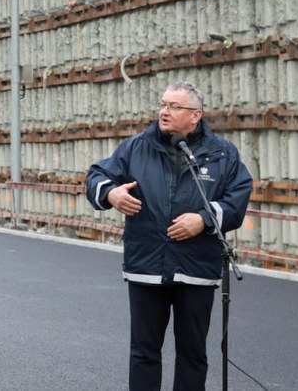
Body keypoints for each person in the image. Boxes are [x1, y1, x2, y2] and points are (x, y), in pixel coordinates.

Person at [86, 82, 252, 391]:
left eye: (174, 106)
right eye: (163, 104)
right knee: (144, 353)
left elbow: (237, 199)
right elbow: (96, 175)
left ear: (195, 116)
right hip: (147, 266)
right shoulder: (137, 147)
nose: (164, 111)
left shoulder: (222, 154)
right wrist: (111, 193)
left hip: (195, 269)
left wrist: (202, 219)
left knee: (192, 354)